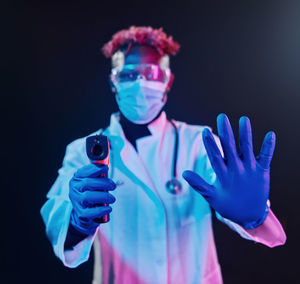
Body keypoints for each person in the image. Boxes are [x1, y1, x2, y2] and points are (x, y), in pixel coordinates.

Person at [41, 26, 286, 284]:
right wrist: (78, 223)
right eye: (128, 74)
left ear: (167, 81)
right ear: (113, 81)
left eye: (151, 73)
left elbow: (230, 190)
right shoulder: (84, 151)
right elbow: (57, 217)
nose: (140, 83)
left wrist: (254, 216)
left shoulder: (199, 142)